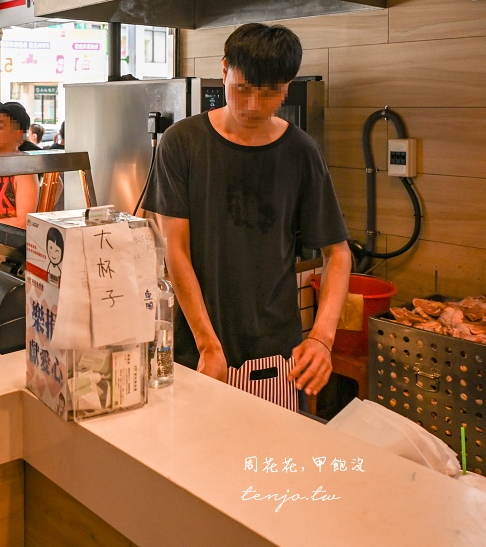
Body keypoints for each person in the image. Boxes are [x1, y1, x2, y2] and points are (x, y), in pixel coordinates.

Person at [142, 23, 352, 398]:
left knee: (268, 456)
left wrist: (321, 338)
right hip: (200, 353)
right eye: (242, 89)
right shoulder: (183, 143)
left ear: (287, 86)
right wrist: (209, 345)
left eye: (270, 92)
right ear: (224, 71)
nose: (254, 106)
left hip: (277, 360)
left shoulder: (301, 151)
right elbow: (176, 250)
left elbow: (337, 253)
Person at [0, 100, 40, 229]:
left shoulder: (24, 170)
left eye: (0, 126)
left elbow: (24, 223)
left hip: (7, 244)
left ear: (17, 134)